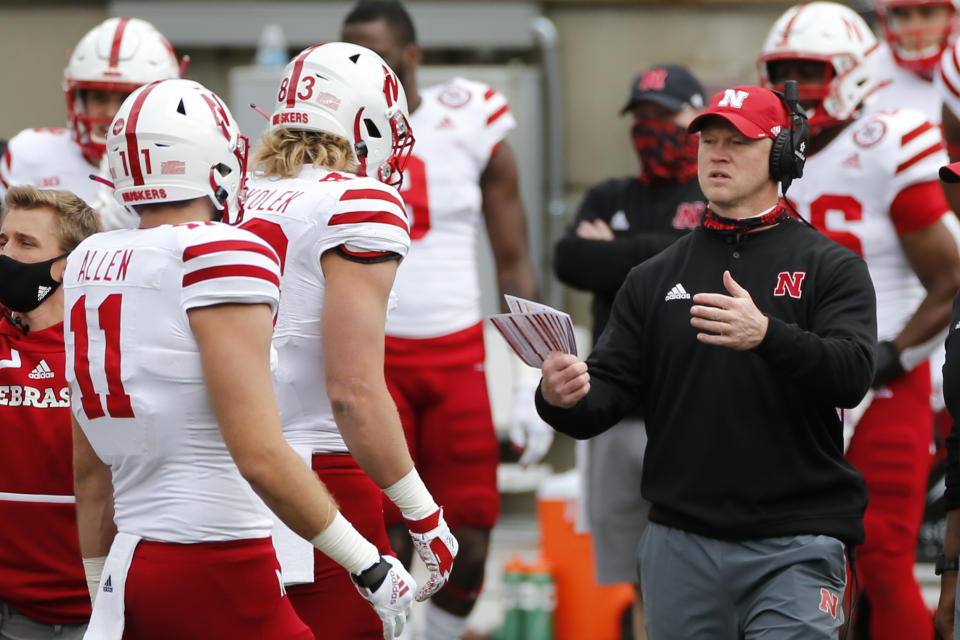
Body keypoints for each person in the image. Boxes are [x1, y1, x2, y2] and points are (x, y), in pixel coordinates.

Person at [66, 78, 416, 640]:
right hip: (223, 563)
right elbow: (259, 455)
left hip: (131, 569)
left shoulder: (89, 259)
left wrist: (101, 592)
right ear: (218, 162)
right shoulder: (219, 253)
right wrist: (367, 563)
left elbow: (89, 472)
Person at [537, 83, 874, 640]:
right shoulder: (651, 277)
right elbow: (608, 395)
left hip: (797, 540)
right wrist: (559, 397)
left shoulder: (832, 265)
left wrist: (766, 335)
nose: (717, 153)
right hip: (680, 545)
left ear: (784, 153)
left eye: (738, 141)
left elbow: (852, 374)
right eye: (708, 140)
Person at [241, 42, 458, 639]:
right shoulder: (356, 202)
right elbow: (353, 391)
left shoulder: (231, 192)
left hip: (218, 478)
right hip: (318, 480)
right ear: (362, 123)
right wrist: (422, 511)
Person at [341, 3, 543, 637]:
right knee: (383, 536)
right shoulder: (330, 137)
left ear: (412, 56)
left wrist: (534, 375)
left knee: (472, 536)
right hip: (372, 360)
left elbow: (514, 260)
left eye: (376, 56)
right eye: (352, 57)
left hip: (459, 356)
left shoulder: (470, 119)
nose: (363, 72)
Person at [759, 3, 960, 638]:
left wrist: (891, 355)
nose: (794, 86)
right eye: (781, 70)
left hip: (883, 382)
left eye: (809, 70)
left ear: (852, 72)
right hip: (791, 379)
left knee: (881, 555)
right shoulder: (759, 153)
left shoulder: (888, 138)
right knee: (800, 562)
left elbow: (951, 277)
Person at [552, 63, 706, 640]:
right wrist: (663, 251)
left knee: (699, 565)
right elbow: (570, 260)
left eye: (664, 115)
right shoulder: (609, 193)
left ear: (697, 119)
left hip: (690, 412)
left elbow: (706, 256)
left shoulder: (713, 193)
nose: (650, 127)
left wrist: (620, 251)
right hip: (614, 408)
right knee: (638, 572)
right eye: (641, 117)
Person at [0, 187, 100, 640]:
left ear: (68, 265)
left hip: (100, 604)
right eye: (1, 242)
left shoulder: (105, 345)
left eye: (26, 243)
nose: (6, 254)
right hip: (11, 612)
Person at [0, 17, 182, 230]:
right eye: (99, 97)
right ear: (79, 100)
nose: (111, 112)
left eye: (127, 98)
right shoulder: (31, 154)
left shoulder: (180, 168)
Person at [872, 0, 958, 123]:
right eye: (902, 14)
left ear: (953, 15)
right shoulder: (872, 67)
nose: (914, 26)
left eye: (927, 13)